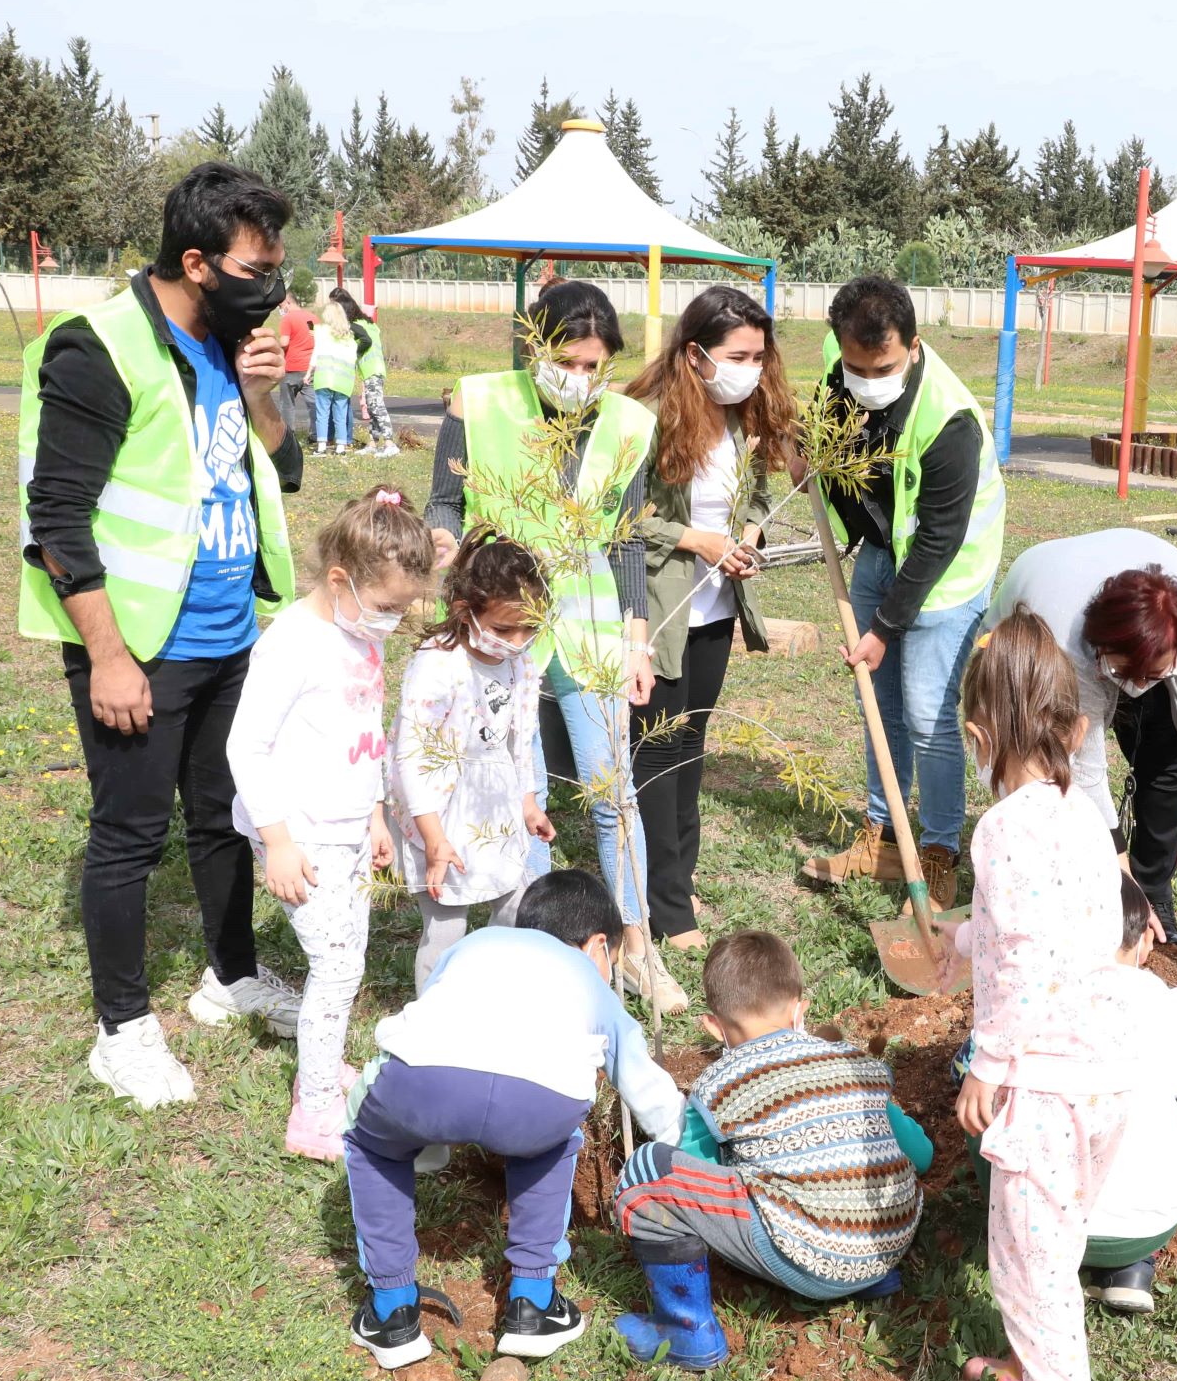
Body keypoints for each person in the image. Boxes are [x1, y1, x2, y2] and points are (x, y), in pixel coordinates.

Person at [18, 161, 305, 1109]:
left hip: (232, 637)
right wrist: (107, 654)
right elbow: (55, 518)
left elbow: (282, 469)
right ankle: (124, 1031)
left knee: (225, 817)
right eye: (256, 267)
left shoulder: (232, 339)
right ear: (196, 259)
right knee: (130, 836)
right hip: (139, 645)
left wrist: (266, 395)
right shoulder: (97, 348)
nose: (271, 285)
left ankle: (230, 976)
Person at [421, 281, 682, 1013]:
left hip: (590, 628)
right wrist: (445, 539)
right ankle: (538, 947)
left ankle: (636, 948)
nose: (582, 378)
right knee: (516, 791)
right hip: (501, 625)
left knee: (611, 791)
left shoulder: (630, 423)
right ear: (535, 348)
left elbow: (626, 540)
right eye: (569, 360)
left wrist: (637, 640)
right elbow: (445, 499)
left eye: (597, 365)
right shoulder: (476, 403)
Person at [941, 611, 1137, 1381]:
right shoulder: (1082, 820)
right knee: (1052, 1248)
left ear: (978, 737)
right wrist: (962, 937)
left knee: (1030, 1270)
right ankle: (1039, 1370)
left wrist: (988, 1060)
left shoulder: (1002, 829)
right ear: (1075, 726)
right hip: (1102, 1077)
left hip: (1045, 1086)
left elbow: (1023, 957)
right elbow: (1060, 933)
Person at [343, 871, 686, 1368]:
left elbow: (428, 1015)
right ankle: (534, 1304)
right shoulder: (589, 977)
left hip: (424, 1084)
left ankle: (392, 1311)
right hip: (538, 1105)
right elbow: (643, 1084)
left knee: (371, 1144)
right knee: (551, 1143)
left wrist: (427, 1141)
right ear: (596, 946)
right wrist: (692, 1148)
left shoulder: (476, 943)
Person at [609, 931, 927, 1370]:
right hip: (888, 1245)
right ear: (802, 1009)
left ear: (713, 1026)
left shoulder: (719, 1085)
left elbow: (694, 1175)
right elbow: (921, 1155)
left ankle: (685, 1331)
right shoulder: (857, 1065)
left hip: (810, 1260)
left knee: (650, 1172)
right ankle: (866, 1283)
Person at [226, 485, 433, 1157]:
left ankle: (324, 1068)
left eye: (403, 611)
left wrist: (374, 813)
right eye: (385, 608)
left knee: (350, 949)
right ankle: (312, 1111)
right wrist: (277, 841)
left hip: (347, 823)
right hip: (299, 830)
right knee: (337, 966)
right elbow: (244, 747)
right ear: (339, 580)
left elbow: (363, 728)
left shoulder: (355, 633)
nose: (392, 623)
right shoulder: (292, 644)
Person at [796, 276, 1006, 913]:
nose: (866, 378)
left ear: (913, 346)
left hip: (949, 571)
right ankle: (884, 836)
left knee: (928, 716)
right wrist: (809, 461)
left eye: (881, 366)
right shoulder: (840, 378)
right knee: (878, 706)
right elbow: (835, 465)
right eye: (855, 366)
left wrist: (884, 628)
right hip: (882, 554)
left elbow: (940, 540)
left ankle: (938, 851)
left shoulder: (951, 422)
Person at [957, 874, 1177, 1317]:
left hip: (1033, 1223)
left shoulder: (1019, 999)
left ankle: (1012, 1242)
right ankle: (1130, 1270)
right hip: (1143, 1226)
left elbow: (963, 1075)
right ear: (1144, 942)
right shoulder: (1173, 1006)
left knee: (982, 1106)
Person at [621, 286, 794, 951]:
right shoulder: (650, 416)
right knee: (657, 750)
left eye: (758, 355)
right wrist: (699, 542)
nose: (750, 367)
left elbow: (758, 493)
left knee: (690, 746)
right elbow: (624, 516)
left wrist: (748, 534)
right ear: (694, 354)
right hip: (659, 612)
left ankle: (677, 877)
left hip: (716, 608)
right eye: (736, 355)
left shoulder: (744, 413)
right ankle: (665, 909)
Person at [988, 530, 1177, 942]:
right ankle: (1075, 891)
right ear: (1101, 650)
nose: (1140, 686)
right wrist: (1120, 879)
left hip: (1137, 638)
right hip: (1046, 612)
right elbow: (1086, 771)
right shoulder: (1066, 643)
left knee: (1165, 752)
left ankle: (1155, 892)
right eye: (1127, 675)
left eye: (1155, 675)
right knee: (1046, 771)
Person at [395, 530, 559, 993]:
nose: (518, 640)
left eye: (530, 629)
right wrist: (433, 837)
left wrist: (527, 801)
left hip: (496, 803)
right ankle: (433, 1017)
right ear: (467, 610)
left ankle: (492, 998)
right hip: (444, 813)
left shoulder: (520, 662)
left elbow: (520, 737)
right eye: (505, 629)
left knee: (513, 907)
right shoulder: (438, 665)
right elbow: (413, 756)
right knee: (446, 928)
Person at [334, 289, 397, 458]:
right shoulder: (368, 323)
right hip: (377, 368)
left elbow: (366, 342)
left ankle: (390, 443)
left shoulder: (355, 326)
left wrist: (353, 353)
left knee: (376, 406)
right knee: (371, 405)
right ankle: (372, 443)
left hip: (371, 369)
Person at [308, 301, 359, 455]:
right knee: (341, 415)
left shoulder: (323, 331)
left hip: (325, 377)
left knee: (322, 413)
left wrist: (309, 372)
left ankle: (322, 446)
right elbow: (353, 358)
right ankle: (341, 446)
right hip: (343, 381)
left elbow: (316, 353)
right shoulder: (348, 336)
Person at [279, 294, 315, 440]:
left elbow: (284, 342)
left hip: (291, 367)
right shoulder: (312, 318)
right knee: (313, 403)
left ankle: (288, 435)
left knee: (287, 404)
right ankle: (317, 434)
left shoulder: (287, 319)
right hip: (310, 367)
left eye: (280, 306)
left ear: (287, 302)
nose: (280, 309)